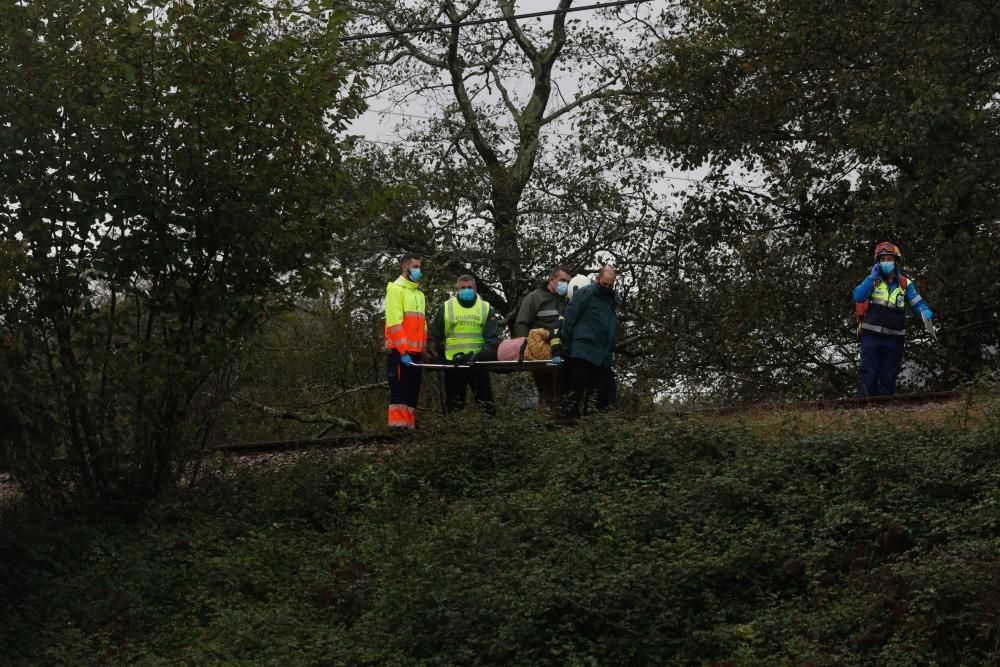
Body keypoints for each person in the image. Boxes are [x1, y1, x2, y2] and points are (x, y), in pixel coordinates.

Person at [853, 241, 933, 397]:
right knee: (868, 371)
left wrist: (925, 310)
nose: (886, 263)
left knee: (889, 374)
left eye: (889, 259)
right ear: (878, 262)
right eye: (883, 260)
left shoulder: (905, 283)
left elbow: (917, 302)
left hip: (895, 337)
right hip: (871, 335)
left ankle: (884, 410)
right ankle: (864, 409)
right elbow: (858, 296)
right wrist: (871, 278)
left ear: (896, 261)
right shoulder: (873, 281)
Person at [428, 274, 500, 415]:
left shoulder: (486, 308)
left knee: (487, 405)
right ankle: (454, 434)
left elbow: (491, 339)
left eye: (469, 287)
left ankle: (490, 434)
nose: (466, 290)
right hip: (453, 363)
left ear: (475, 288)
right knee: (454, 406)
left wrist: (481, 356)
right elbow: (435, 335)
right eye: (463, 288)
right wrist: (433, 355)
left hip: (478, 363)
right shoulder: (447, 307)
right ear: (457, 289)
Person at [560, 265, 618, 418]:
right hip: (582, 349)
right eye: (604, 283)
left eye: (610, 285)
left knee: (598, 393)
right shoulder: (585, 294)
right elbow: (570, 318)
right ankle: (566, 423)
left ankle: (591, 425)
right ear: (598, 279)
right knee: (576, 389)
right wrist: (567, 344)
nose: (607, 287)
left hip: (601, 353)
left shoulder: (612, 299)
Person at [513, 267, 571, 410]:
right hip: (541, 354)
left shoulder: (567, 300)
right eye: (562, 280)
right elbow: (522, 324)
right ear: (552, 280)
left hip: (562, 353)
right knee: (546, 392)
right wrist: (529, 351)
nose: (565, 284)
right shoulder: (534, 297)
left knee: (564, 393)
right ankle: (547, 423)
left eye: (568, 282)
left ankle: (561, 425)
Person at [384, 253, 426, 429]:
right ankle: (397, 430)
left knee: (411, 395)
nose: (418, 270)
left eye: (419, 267)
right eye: (415, 267)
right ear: (405, 267)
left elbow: (422, 325)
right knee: (400, 395)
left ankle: (408, 429)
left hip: (415, 354)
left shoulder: (419, 294)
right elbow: (394, 324)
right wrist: (403, 352)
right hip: (400, 353)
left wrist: (425, 349)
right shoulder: (396, 290)